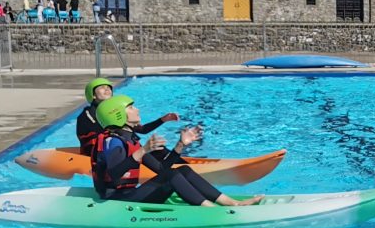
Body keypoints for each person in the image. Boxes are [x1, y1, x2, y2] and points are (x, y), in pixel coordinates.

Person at [91, 95, 261, 206]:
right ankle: (210, 209)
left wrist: (180, 145)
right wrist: (142, 151)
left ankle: (231, 203)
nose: (137, 109)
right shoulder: (113, 142)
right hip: (117, 199)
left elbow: (161, 169)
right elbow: (113, 174)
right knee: (171, 176)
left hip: (132, 194)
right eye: (131, 107)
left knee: (183, 170)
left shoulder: (132, 140)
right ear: (117, 115)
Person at [75, 77, 177, 156]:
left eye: (108, 88)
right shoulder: (87, 114)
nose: (107, 90)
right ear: (92, 95)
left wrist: (162, 120)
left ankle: (178, 164)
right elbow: (107, 130)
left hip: (119, 148)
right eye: (102, 88)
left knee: (159, 148)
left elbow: (142, 129)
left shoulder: (113, 112)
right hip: (98, 153)